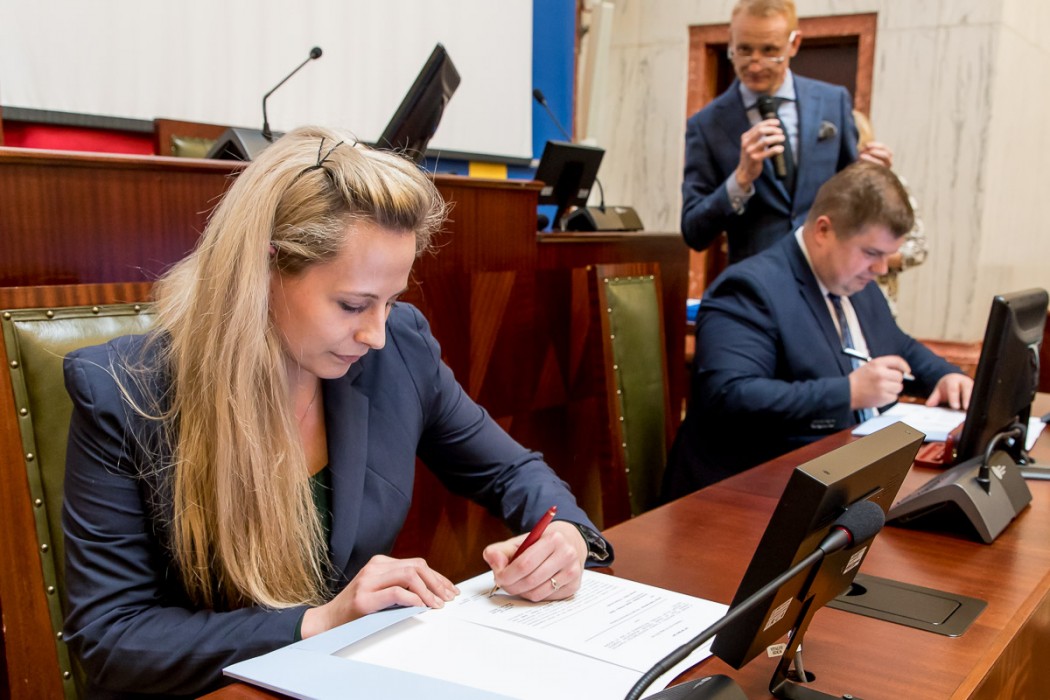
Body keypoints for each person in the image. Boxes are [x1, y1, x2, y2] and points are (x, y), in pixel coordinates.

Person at [61, 126, 611, 698]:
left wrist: (566, 536)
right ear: (264, 269)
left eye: (391, 301)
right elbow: (111, 639)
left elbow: (510, 470)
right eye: (352, 305)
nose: (376, 334)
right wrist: (318, 622)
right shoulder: (126, 393)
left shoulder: (400, 350)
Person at [664, 162, 972, 498]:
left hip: (841, 479)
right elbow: (731, 395)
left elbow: (898, 344)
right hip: (745, 492)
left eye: (887, 255)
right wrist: (848, 393)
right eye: (871, 253)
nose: (882, 268)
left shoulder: (856, 281)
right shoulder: (750, 288)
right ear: (824, 230)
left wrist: (943, 376)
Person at [680, 0, 894, 264]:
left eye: (770, 51)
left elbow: (851, 194)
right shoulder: (706, 125)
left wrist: (871, 177)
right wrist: (740, 179)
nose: (755, 65)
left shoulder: (832, 101)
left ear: (794, 43)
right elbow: (693, 232)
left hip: (827, 272)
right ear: (731, 41)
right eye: (744, 50)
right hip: (755, 278)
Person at [852, 109, 929, 314]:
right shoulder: (818, 185)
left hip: (877, 302)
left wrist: (871, 256)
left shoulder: (890, 185)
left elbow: (918, 248)